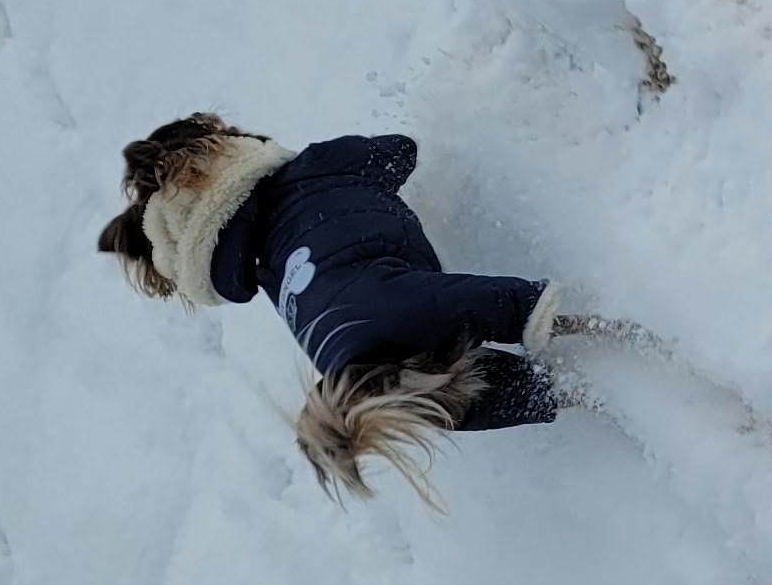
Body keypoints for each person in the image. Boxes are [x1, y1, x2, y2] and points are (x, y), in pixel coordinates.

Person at [94, 114, 564, 505]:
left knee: (543, 391)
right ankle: (620, 340)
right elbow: (401, 152)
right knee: (539, 315)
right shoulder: (314, 168)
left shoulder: (270, 274)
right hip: (397, 307)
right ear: (222, 148)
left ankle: (593, 393)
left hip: (348, 370)